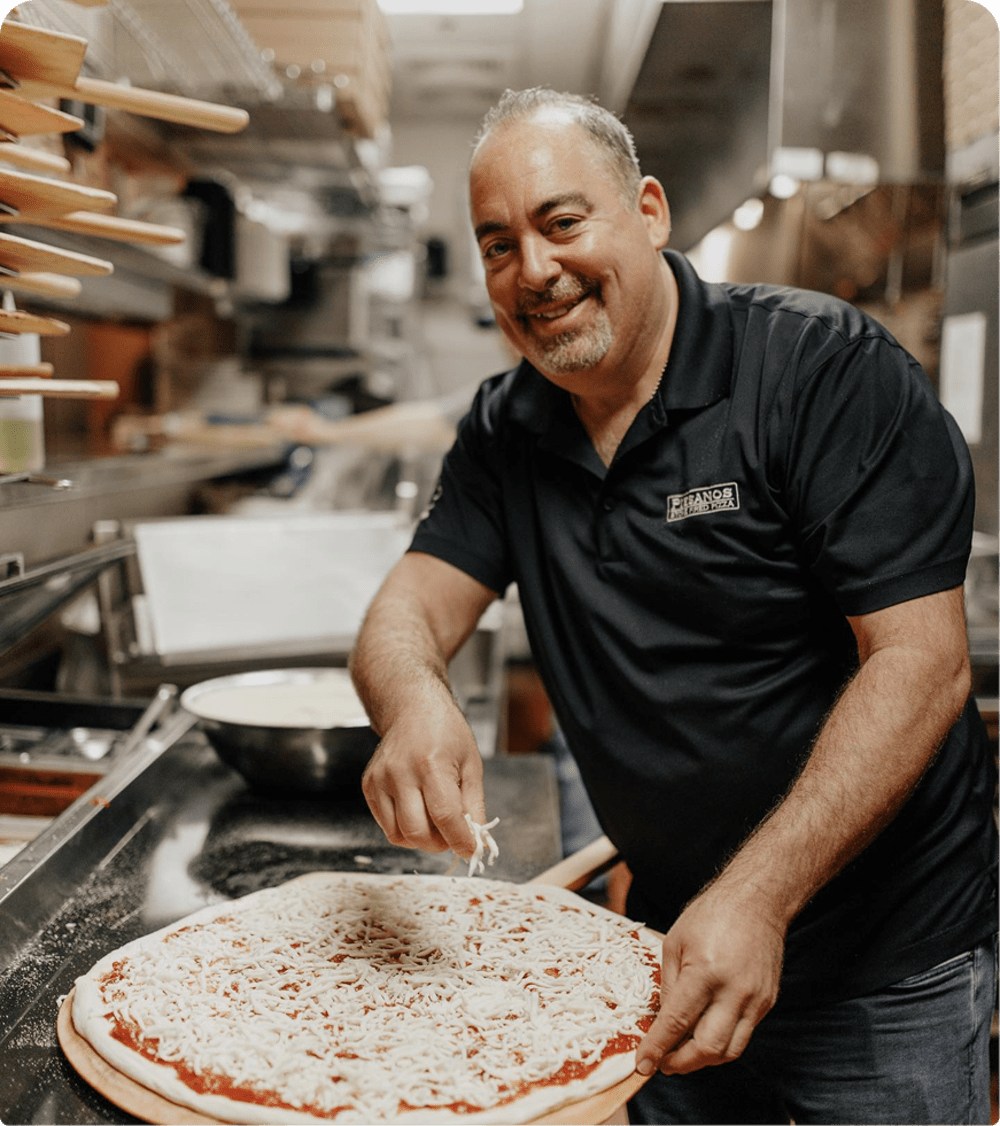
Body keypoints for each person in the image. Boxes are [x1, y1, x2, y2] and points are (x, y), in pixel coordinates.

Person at [349, 88, 997, 1126]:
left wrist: (757, 897)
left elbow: (921, 665)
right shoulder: (506, 427)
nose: (535, 270)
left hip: (881, 965)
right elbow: (402, 615)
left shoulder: (820, 372)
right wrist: (413, 703)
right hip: (667, 950)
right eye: (497, 243)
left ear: (646, 211)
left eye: (563, 223)